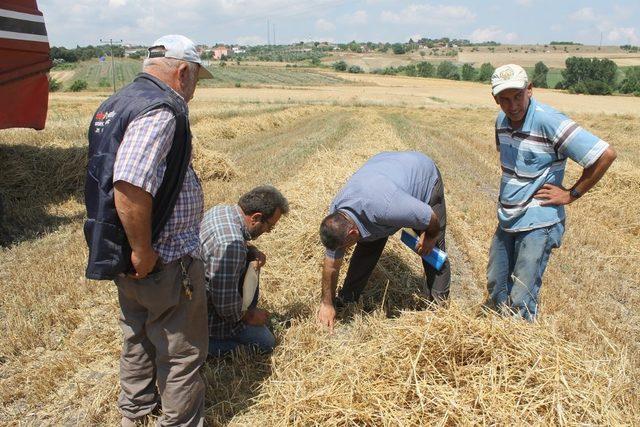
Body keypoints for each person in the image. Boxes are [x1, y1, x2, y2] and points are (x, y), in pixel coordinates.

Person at [83, 35, 213, 426]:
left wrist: (132, 250)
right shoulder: (162, 108)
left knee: (137, 336)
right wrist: (143, 248)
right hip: (162, 256)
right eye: (195, 80)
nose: (193, 90)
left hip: (122, 252)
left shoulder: (117, 102)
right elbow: (130, 183)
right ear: (183, 71)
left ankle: (136, 414)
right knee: (182, 352)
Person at [486, 64, 617, 321]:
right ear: (496, 99)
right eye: (504, 99)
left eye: (518, 97)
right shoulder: (501, 121)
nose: (512, 106)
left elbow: (605, 154)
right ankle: (498, 336)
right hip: (508, 217)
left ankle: (521, 346)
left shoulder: (549, 120)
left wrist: (570, 194)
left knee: (522, 296)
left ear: (530, 90)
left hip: (539, 221)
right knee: (495, 283)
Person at [317, 151, 450, 332]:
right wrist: (327, 303)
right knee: (368, 246)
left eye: (345, 246)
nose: (343, 251)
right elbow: (331, 265)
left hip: (423, 177)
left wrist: (431, 236)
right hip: (384, 171)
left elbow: (430, 218)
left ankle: (439, 310)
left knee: (433, 254)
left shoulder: (388, 208)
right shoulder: (337, 216)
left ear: (353, 232)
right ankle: (348, 298)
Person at [200, 186, 289, 356]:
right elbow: (226, 307)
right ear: (256, 218)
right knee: (266, 343)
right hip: (206, 318)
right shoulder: (231, 244)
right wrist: (249, 316)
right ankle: (203, 346)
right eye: (269, 227)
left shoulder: (222, 211)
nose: (268, 232)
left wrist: (252, 252)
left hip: (196, 298)